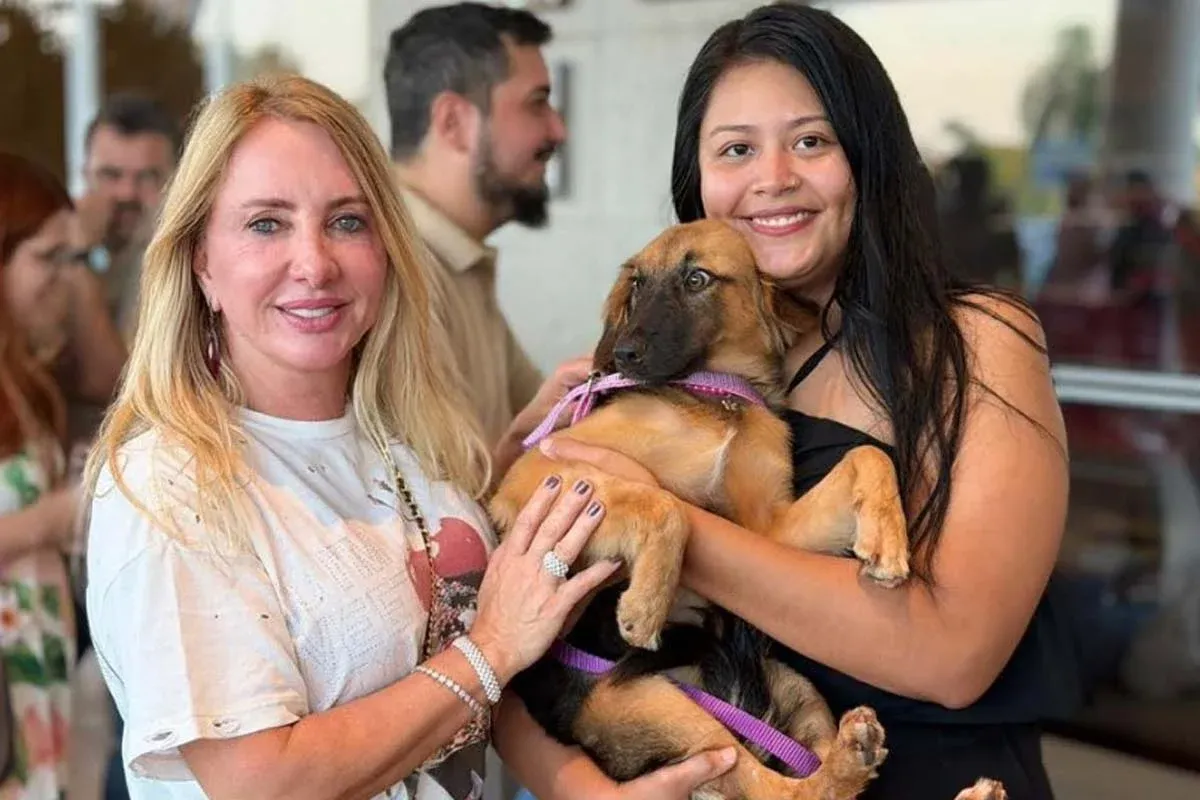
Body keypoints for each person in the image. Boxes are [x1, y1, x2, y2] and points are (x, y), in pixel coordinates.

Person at [82, 74, 733, 800]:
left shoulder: (411, 446)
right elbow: (257, 781)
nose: (315, 263)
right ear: (201, 260)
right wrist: (489, 648)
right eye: (267, 223)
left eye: (347, 221)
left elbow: (467, 686)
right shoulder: (169, 486)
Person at [497, 5, 1077, 799]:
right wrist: (569, 784)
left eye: (811, 141)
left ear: (867, 157)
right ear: (698, 179)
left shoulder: (978, 341)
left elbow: (954, 658)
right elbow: (517, 640)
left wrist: (670, 527)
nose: (773, 177)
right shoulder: (699, 365)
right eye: (736, 149)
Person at [384, 3, 589, 471]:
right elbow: (443, 507)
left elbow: (549, 422)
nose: (558, 129)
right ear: (454, 122)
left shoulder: (455, 258)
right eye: (537, 102)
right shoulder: (393, 271)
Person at [0, 151, 82, 799]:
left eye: (75, 259)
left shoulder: (27, 378)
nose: (68, 280)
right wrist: (54, 517)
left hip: (37, 664)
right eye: (48, 259)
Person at [76, 91, 180, 340]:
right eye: (110, 175)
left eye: (146, 177)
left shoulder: (190, 272)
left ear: (178, 182)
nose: (126, 194)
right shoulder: (49, 252)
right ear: (85, 176)